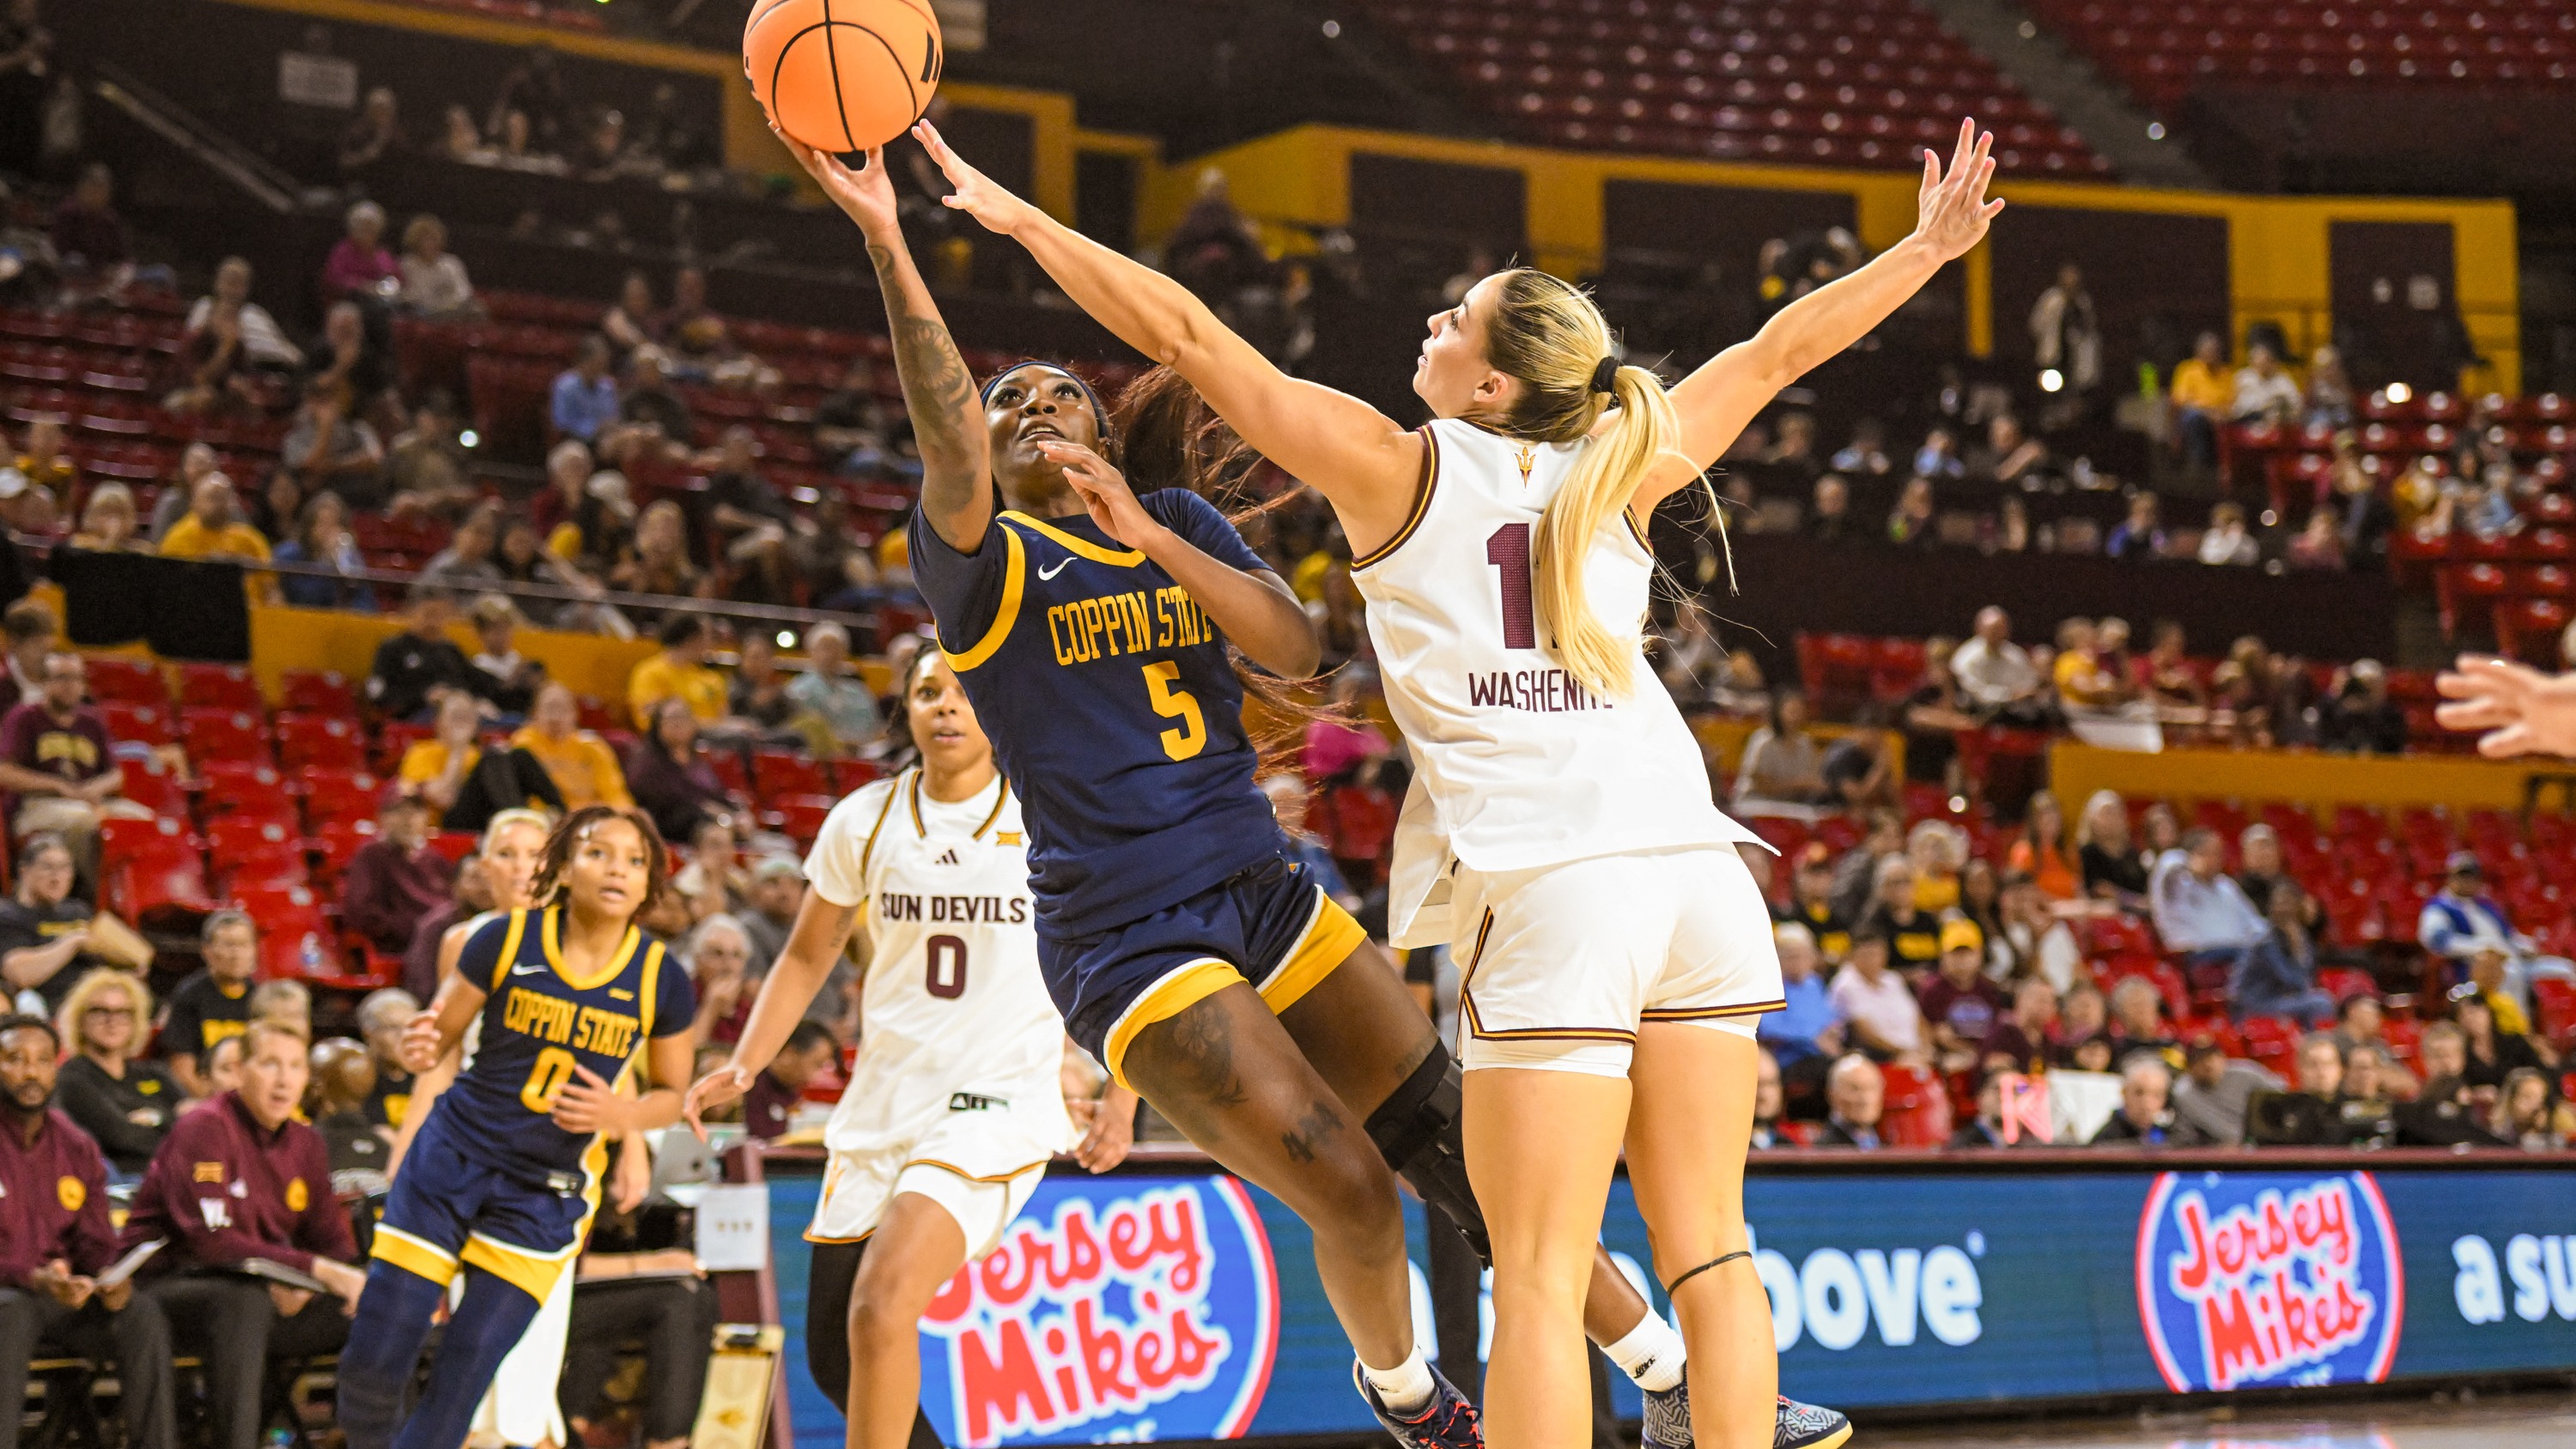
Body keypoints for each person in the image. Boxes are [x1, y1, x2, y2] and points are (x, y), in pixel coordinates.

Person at [780, 127, 1814, 1449]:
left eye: (1061, 392)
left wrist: (1155, 538)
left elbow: (1294, 651)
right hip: (1124, 931)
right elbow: (950, 412)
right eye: (1010, 398)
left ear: (1108, 429)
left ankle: (1673, 1378)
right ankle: (1408, 1399)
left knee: (1446, 1132)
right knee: (1352, 1187)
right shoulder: (978, 562)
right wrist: (892, 238)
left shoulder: (1181, 525)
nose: (1034, 402)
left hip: (1263, 887)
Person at [336, 808, 695, 1449]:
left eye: (635, 861)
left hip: (544, 1188)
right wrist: (420, 1047)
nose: (617, 869)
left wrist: (625, 1122)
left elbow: (668, 1093)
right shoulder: (498, 939)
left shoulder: (660, 977)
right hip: (454, 1158)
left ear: (651, 886)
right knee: (377, 1356)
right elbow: (439, 1043)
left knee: (466, 1377)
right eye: (598, 854)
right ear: (563, 868)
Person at [382, 808, 627, 1449]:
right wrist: (404, 1157)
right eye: (507, 854)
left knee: (534, 1354)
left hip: (559, 1169)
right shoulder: (465, 943)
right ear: (482, 867)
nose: (523, 868)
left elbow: (614, 1058)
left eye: (534, 854)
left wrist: (635, 1152)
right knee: (481, 1348)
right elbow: (438, 1059)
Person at [126, 1019, 368, 1449]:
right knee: (242, 1300)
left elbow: (333, 1243)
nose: (284, 1079)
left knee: (387, 1302)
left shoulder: (307, 1142)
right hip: (166, 1287)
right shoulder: (204, 1128)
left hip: (265, 1290)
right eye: (270, 1064)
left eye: (295, 1066)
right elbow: (211, 1242)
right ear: (240, 1071)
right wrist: (310, 1270)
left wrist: (308, 1284)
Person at [0, 1012, 178, 1449]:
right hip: (10, 1294)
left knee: (141, 1314)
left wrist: (109, 1277)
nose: (30, 1072)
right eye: (15, 1059)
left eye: (42, 1060)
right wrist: (32, 1276)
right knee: (12, 1313)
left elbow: (95, 1241)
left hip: (61, 1297)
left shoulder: (75, 1144)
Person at [1, 833, 148, 1015]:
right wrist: (74, 942)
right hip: (49, 1007)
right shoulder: (9, 915)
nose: (57, 877)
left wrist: (130, 964)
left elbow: (136, 955)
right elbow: (21, 974)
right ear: (24, 871)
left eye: (65, 868)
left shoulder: (78, 911)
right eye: (48, 867)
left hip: (95, 1002)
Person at [52, 968, 179, 1174]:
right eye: (100, 1010)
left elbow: (192, 1123)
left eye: (123, 1012)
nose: (112, 1020)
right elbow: (122, 1137)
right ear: (80, 1019)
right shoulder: (70, 1079)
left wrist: (157, 1118)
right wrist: (170, 1125)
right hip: (117, 1184)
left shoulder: (155, 1074)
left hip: (168, 1176)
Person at [2418, 850, 2576, 1009]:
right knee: (2511, 974)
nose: (2467, 881)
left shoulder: (2485, 905)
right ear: (2450, 878)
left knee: (2565, 968)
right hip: (2475, 966)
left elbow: (2508, 935)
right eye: (2462, 876)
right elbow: (2436, 940)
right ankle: (2516, 1029)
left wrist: (2525, 946)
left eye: (2472, 876)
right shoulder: (2439, 907)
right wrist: (2481, 948)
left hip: (2512, 957)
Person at [398, 691, 565, 834]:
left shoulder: (478, 755)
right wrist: (457, 751)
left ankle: (562, 814)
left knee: (519, 755)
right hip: (448, 823)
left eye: (467, 717)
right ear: (439, 722)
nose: (462, 724)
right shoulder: (421, 752)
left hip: (487, 817)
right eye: (456, 717)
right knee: (493, 757)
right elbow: (440, 798)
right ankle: (517, 823)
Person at [158, 911, 261, 1097]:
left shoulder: (261, 999)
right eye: (228, 945)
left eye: (243, 945)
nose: (236, 954)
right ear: (207, 951)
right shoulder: (189, 995)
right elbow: (182, 1069)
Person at [340, 794, 457, 955]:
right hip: (400, 947)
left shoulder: (434, 858)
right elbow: (359, 912)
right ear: (382, 817)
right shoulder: (371, 855)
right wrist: (406, 927)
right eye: (399, 812)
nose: (408, 820)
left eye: (415, 812)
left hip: (444, 939)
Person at [2148, 828, 2269, 979]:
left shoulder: (2226, 886)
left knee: (2270, 948)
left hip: (2237, 953)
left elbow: (2255, 923)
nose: (2216, 859)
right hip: (2196, 958)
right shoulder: (2177, 885)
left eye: (2218, 853)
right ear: (2193, 854)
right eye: (2208, 852)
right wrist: (2189, 864)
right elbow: (2167, 863)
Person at [625, 698, 740, 845]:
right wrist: (719, 817)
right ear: (658, 726)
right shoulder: (646, 765)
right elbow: (671, 807)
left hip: (720, 826)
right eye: (672, 718)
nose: (679, 723)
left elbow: (718, 795)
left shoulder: (699, 761)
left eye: (684, 717)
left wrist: (738, 814)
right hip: (678, 832)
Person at [367, 591, 492, 722]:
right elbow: (378, 694)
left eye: (440, 616)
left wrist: (478, 701)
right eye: (429, 614)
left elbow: (474, 682)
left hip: (460, 713)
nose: (434, 622)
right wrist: (424, 696)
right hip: (414, 716)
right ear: (412, 612)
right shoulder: (393, 648)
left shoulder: (450, 649)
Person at [511, 682, 632, 811]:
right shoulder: (524, 746)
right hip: (545, 817)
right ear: (535, 713)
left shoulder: (592, 746)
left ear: (575, 714)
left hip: (589, 817)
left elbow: (615, 793)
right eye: (549, 709)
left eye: (562, 709)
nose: (555, 717)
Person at [1917, 919, 2007, 1074]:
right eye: (1955, 954)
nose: (1962, 961)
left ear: (1979, 954)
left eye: (1967, 953)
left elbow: (1997, 1028)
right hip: (1949, 1057)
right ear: (1942, 956)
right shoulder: (1932, 990)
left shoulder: (1988, 989)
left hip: (1985, 1055)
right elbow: (1937, 1034)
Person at [784, 620, 883, 754]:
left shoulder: (859, 692)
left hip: (862, 753)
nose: (831, 654)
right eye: (825, 647)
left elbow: (874, 728)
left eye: (837, 648)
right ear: (811, 652)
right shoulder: (797, 689)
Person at [1755, 923, 1842, 1071]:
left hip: (1823, 1054)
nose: (1799, 962)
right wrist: (1813, 1039)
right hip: (1791, 1059)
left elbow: (1830, 1016)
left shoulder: (1815, 983)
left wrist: (1834, 1030)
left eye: (1804, 956)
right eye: (1792, 957)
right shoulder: (1772, 986)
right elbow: (1769, 1029)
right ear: (1779, 958)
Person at [1827, 932, 1926, 1062]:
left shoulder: (1893, 979)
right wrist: (1902, 1052)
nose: (1872, 959)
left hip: (1914, 1050)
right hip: (1877, 1055)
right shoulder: (1844, 985)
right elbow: (1864, 1034)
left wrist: (1926, 1047)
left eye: (1876, 954)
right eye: (1867, 954)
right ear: (1853, 955)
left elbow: (1918, 1018)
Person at [626, 613, 728, 728]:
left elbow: (723, 718)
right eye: (708, 636)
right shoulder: (649, 673)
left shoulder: (712, 679)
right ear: (690, 638)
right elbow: (647, 720)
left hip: (715, 740)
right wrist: (707, 726)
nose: (711, 644)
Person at [1733, 689, 1826, 814]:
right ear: (1778, 712)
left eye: (1799, 712)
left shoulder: (1806, 743)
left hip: (1791, 805)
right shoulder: (1763, 741)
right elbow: (1761, 785)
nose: (1796, 717)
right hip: (1756, 802)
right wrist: (1797, 784)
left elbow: (1814, 777)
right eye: (1792, 712)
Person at [1951, 606, 2044, 718]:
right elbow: (1976, 693)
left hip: (2018, 710)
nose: (1997, 633)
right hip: (1981, 711)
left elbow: (2029, 680)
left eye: (2001, 629)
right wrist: (2010, 695)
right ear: (1979, 629)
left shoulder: (2015, 654)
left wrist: (2027, 692)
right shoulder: (1966, 657)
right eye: (1993, 630)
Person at [2075, 789, 2150, 909]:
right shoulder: (2086, 853)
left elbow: (2144, 886)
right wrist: (2133, 901)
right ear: (2092, 818)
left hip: (2136, 915)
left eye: (2116, 813)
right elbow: (2099, 889)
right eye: (2106, 813)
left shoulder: (2132, 853)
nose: (2112, 819)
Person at [398, 214, 478, 319]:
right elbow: (414, 295)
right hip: (424, 312)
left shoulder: (452, 263)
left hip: (454, 309)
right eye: (425, 239)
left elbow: (463, 291)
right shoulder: (407, 265)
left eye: (434, 239)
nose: (431, 244)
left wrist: (452, 305)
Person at [2090, 1053, 2182, 1145]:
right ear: (2124, 1093)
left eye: (2157, 1095)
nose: (2147, 1104)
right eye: (2139, 1093)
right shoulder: (2107, 1141)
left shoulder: (2172, 1136)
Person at [550, 336, 620, 445]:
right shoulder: (565, 386)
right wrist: (593, 429)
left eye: (604, 365)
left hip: (606, 440)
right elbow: (561, 423)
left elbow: (613, 416)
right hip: (575, 440)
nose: (601, 370)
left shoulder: (608, 386)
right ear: (583, 361)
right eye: (597, 364)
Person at [1810, 1054, 1885, 1149]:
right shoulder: (1824, 1150)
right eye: (1855, 1089)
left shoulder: (1890, 1142)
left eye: (1871, 1088)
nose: (1865, 1099)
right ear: (1832, 1095)